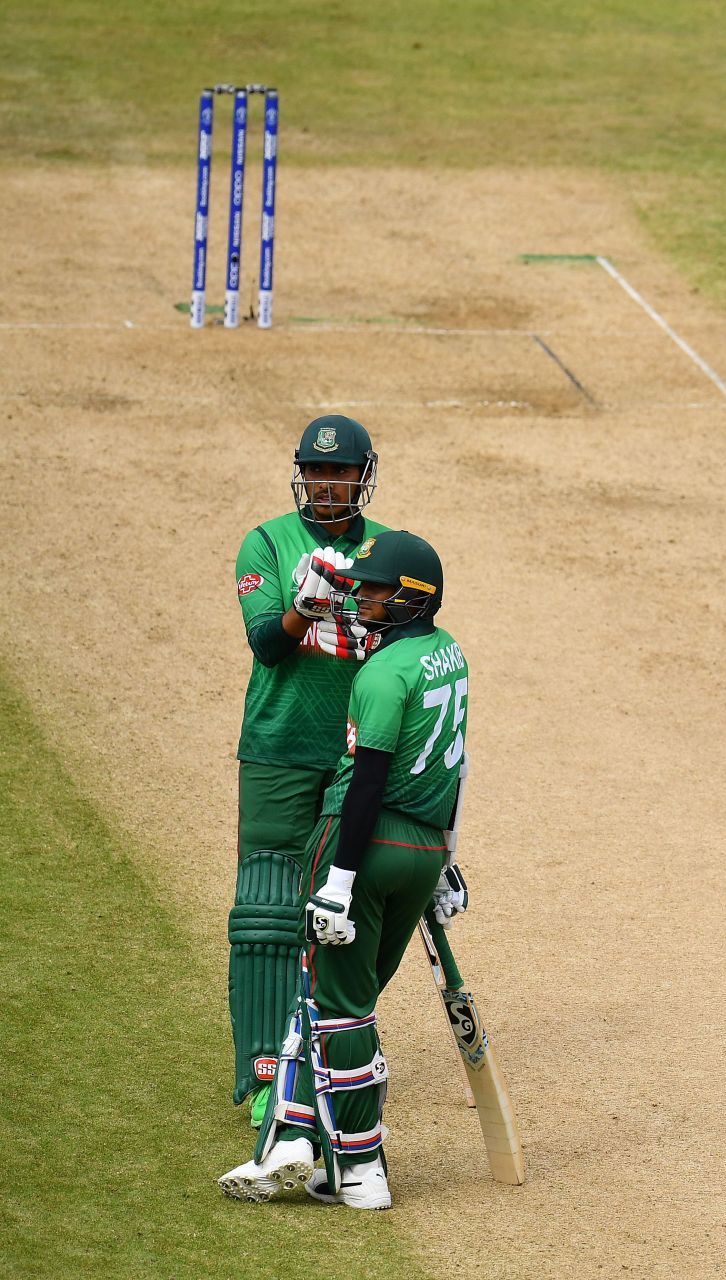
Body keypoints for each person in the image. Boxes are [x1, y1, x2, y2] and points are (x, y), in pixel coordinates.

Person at [220, 530, 472, 1210]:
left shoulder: (380, 674)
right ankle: (298, 1139)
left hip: (364, 844)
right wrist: (447, 855)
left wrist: (338, 882)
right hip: (423, 851)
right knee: (329, 994)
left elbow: (366, 785)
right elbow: (457, 764)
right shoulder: (450, 656)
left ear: (413, 599)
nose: (360, 599)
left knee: (340, 1010)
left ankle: (361, 1169)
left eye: (376, 590)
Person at [227, 415, 387, 1128]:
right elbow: (266, 646)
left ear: (362, 476)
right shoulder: (265, 543)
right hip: (279, 748)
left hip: (355, 754)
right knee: (267, 912)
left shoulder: (387, 553)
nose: (326, 484)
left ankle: (328, 1056)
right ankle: (266, 1074)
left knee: (343, 913)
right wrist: (303, 607)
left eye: (340, 473)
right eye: (316, 472)